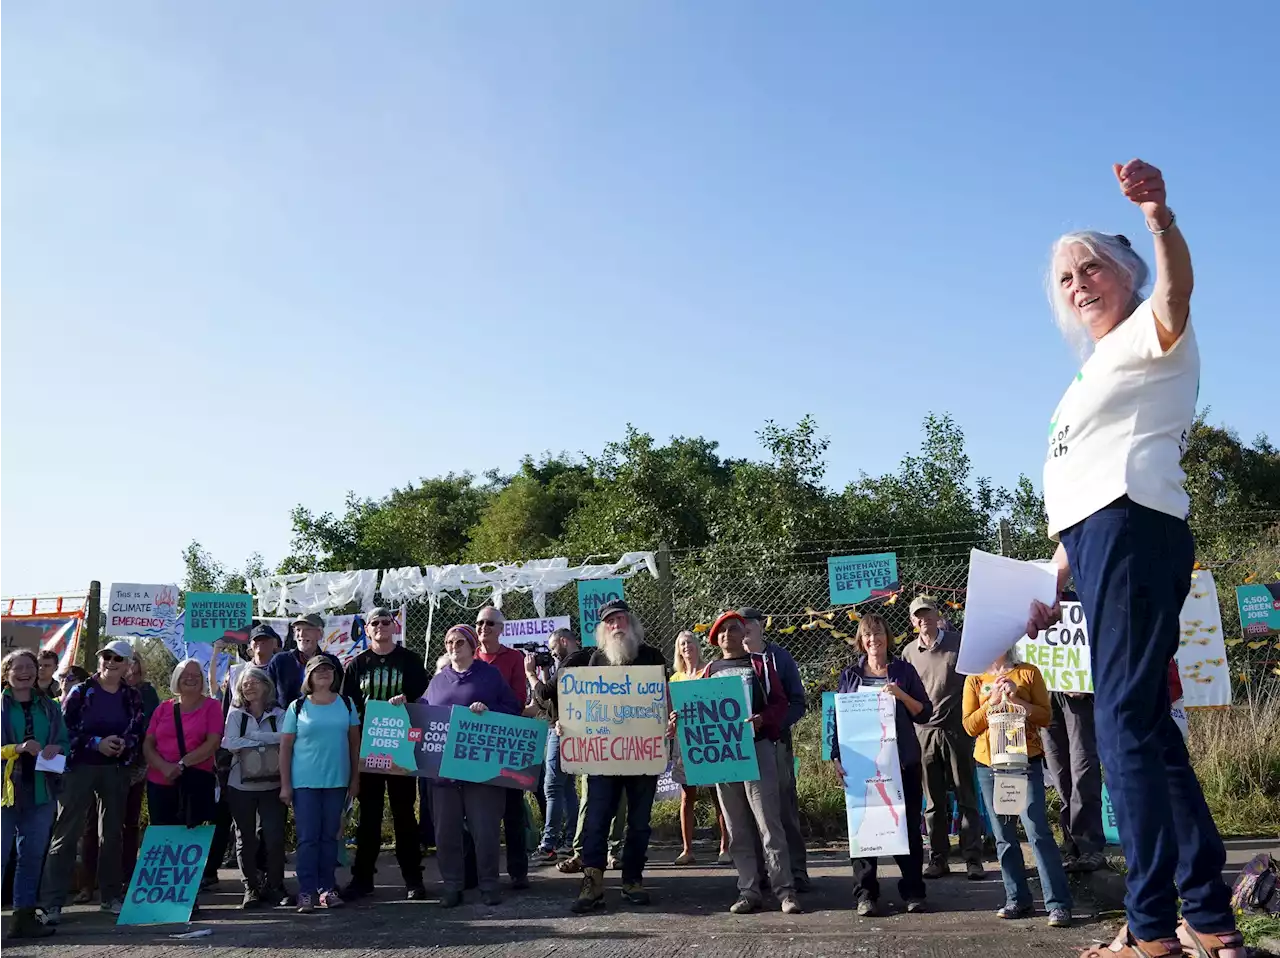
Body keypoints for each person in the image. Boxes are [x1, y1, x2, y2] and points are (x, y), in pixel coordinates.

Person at [1028, 159, 1243, 958]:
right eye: (1066, 276)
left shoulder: (1154, 330)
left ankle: (1150, 926)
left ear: (1127, 274)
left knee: (1120, 723)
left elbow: (1180, 292)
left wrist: (1159, 216)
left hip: (1133, 527)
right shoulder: (1085, 380)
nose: (1079, 281)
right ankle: (1208, 914)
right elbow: (1082, 477)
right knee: (1146, 725)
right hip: (1097, 539)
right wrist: (1054, 573)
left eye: (1093, 267)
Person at [676, 612, 801, 916]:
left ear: (743, 633)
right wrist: (678, 720)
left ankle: (785, 890)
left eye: (733, 629)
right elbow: (693, 712)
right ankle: (749, 890)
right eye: (721, 631)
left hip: (758, 751)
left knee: (769, 824)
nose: (727, 634)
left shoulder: (760, 665)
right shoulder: (707, 671)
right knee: (736, 828)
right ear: (715, 639)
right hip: (724, 757)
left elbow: (780, 703)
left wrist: (763, 720)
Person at [551, 600, 667, 913]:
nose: (616, 625)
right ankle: (592, 883)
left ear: (632, 624)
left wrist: (669, 718)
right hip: (603, 757)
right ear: (603, 629)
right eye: (610, 621)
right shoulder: (595, 660)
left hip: (642, 755)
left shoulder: (651, 657)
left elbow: (664, 700)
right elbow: (581, 704)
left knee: (639, 822)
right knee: (596, 819)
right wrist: (566, 723)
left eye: (621, 619)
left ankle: (632, 880)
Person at [829, 613, 932, 916]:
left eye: (878, 633)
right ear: (861, 641)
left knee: (908, 829)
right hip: (861, 766)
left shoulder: (904, 671)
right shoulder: (850, 675)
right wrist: (836, 755)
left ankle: (913, 891)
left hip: (902, 764)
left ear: (888, 636)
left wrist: (900, 694)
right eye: (867, 635)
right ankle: (865, 894)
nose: (873, 640)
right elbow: (839, 719)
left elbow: (924, 713)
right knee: (864, 828)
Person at [962, 651, 1072, 928]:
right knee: (1003, 835)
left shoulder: (1028, 673)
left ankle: (1058, 905)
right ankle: (1017, 899)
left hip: (1024, 762)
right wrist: (992, 702)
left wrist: (1016, 700)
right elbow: (969, 726)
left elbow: (1045, 716)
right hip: (989, 765)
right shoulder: (975, 678)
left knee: (1037, 832)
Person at [40, 640, 145, 923]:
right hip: (79, 768)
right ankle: (52, 903)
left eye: (117, 659)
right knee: (67, 832)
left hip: (115, 771)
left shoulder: (132, 696)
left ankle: (110, 896)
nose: (110, 662)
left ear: (128, 665)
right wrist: (95, 743)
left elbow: (137, 729)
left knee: (112, 834)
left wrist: (124, 744)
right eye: (106, 657)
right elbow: (63, 730)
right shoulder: (80, 691)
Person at [423, 625, 522, 907]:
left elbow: (513, 707)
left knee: (485, 830)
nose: (454, 646)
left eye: (459, 641)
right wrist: (400, 706)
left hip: (482, 769)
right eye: (449, 641)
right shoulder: (439, 680)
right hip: (444, 773)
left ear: (470, 645)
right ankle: (452, 886)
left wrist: (489, 713)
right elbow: (423, 711)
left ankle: (489, 885)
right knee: (446, 832)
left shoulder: (489, 675)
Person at [343, 606, 428, 901]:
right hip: (369, 749)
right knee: (370, 816)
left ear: (395, 626)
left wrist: (408, 702)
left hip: (402, 746)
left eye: (386, 622)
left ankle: (413, 879)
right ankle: (363, 878)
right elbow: (348, 708)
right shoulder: (356, 665)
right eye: (374, 623)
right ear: (366, 630)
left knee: (404, 813)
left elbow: (425, 699)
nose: (381, 626)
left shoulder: (411, 661)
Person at [899, 595, 985, 880]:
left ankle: (973, 858)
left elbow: (976, 681)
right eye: (918, 616)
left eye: (928, 614)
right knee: (934, 801)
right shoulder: (909, 653)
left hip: (956, 730)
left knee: (966, 795)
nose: (924, 620)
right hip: (923, 732)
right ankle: (938, 858)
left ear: (938, 615)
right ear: (913, 622)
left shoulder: (959, 643)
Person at [77, 652, 162, 904]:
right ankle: (86, 883)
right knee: (89, 826)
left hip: (131, 765)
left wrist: (132, 750)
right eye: (109, 658)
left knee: (126, 825)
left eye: (123, 659)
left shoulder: (143, 693)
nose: (115, 663)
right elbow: (70, 726)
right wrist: (97, 744)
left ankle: (121, 882)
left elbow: (147, 728)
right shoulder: (86, 690)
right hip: (89, 765)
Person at [279, 655, 360, 914]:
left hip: (337, 782)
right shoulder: (297, 706)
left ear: (335, 675)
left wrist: (355, 779)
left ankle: (327, 889)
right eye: (318, 670)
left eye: (328, 669)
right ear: (309, 676)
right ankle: (306, 891)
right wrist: (285, 785)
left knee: (331, 838)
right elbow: (285, 747)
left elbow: (354, 745)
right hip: (305, 784)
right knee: (307, 839)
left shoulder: (347, 704)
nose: (324, 673)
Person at [142, 658, 224, 907]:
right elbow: (148, 744)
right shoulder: (163, 708)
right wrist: (164, 766)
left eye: (196, 674)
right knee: (162, 835)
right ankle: (163, 896)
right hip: (160, 779)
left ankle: (187, 896)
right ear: (176, 677)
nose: (191, 677)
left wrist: (182, 764)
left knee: (191, 837)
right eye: (186, 674)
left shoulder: (212, 707)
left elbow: (213, 743)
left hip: (194, 780)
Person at [739, 607, 809, 891]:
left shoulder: (779, 658)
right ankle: (760, 873)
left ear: (760, 628)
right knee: (749, 811)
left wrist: (775, 726)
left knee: (782, 806)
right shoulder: (732, 660)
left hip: (776, 743)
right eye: (737, 626)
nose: (742, 631)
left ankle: (796, 871)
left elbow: (797, 702)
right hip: (744, 748)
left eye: (748, 625)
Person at [0, 650, 66, 939]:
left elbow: (64, 739)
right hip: (4, 794)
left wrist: (58, 748)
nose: (25, 672)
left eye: (31, 667)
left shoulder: (49, 707)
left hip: (41, 792)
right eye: (18, 667)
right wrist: (17, 749)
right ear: (6, 673)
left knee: (31, 856)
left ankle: (23, 918)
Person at [472, 607, 531, 891]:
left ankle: (518, 871)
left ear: (501, 629)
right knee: (475, 811)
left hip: (506, 741)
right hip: (473, 744)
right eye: (480, 623)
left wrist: (489, 712)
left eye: (490, 623)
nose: (484, 627)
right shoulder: (467, 656)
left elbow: (519, 699)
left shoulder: (514, 658)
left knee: (512, 809)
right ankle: (477, 872)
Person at [222, 667, 287, 909]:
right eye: (244, 684)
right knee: (245, 838)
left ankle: (276, 885)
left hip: (273, 783)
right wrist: (263, 738)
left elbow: (287, 737)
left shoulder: (279, 713)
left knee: (274, 837)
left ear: (266, 685)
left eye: (253, 683)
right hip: (240, 785)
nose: (248, 687)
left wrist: (250, 740)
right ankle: (250, 887)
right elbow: (229, 743)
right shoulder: (235, 715)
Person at [668, 630, 728, 866]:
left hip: (709, 739)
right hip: (685, 742)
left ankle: (725, 847)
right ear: (678, 650)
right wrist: (672, 721)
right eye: (682, 644)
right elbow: (671, 713)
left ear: (697, 645)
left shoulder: (711, 671)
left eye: (690, 642)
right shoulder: (675, 679)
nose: (686, 647)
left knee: (718, 795)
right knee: (687, 796)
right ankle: (687, 849)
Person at [529, 627, 582, 865]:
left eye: (553, 648)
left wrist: (530, 674)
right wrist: (545, 670)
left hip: (562, 729)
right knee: (567, 784)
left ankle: (549, 844)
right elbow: (547, 700)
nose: (552, 654)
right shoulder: (573, 662)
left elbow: (545, 691)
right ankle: (570, 839)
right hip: (560, 725)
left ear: (563, 641)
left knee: (551, 786)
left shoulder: (572, 662)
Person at [1042, 688, 1105, 874]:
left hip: (1077, 692)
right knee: (1061, 779)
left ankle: (1091, 846)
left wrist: (1085, 683)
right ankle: (1072, 847)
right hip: (1044, 691)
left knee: (1083, 772)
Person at [267, 613, 343, 709]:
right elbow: (267, 695)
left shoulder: (332, 662)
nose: (301, 634)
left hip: (324, 718)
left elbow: (340, 693)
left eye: (307, 629)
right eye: (298, 630)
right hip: (285, 720)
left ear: (320, 634)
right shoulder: (280, 661)